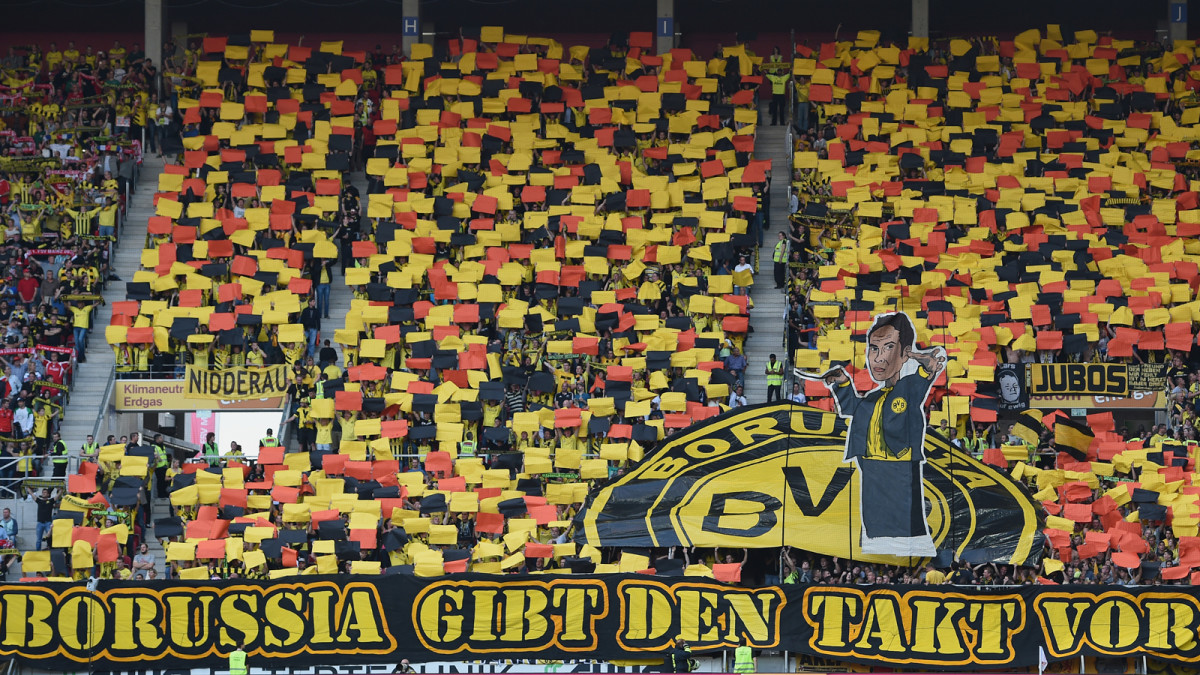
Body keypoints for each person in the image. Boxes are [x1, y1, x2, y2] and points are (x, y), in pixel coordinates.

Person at [822, 312, 943, 557]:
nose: (879, 358)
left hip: (899, 466)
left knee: (904, 522)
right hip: (872, 467)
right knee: (875, 526)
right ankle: (879, 565)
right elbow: (851, 410)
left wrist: (915, 355)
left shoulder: (909, 388)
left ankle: (910, 562)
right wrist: (843, 382)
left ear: (902, 353)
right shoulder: (873, 397)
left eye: (889, 348)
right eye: (874, 349)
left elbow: (930, 366)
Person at [30, 486, 57, 551]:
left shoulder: (51, 501)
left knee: (50, 537)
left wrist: (61, 488)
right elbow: (31, 494)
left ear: (48, 494)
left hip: (48, 523)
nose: (44, 493)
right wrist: (27, 487)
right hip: (40, 523)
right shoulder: (39, 501)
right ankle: (37, 553)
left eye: (45, 492)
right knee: (38, 539)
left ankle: (51, 550)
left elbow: (58, 495)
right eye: (43, 492)